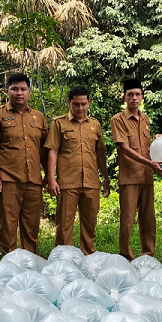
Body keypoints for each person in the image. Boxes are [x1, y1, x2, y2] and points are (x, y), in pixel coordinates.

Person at [0, 74, 48, 256]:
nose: (19, 93)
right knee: (8, 225)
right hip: (8, 179)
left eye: (23, 89)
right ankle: (9, 263)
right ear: (8, 91)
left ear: (29, 92)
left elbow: (43, 148)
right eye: (15, 89)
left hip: (34, 180)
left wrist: (48, 176)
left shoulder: (38, 117)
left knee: (31, 225)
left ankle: (29, 262)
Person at [45, 86, 111, 254]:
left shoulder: (94, 125)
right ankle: (63, 259)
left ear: (89, 103)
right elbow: (52, 150)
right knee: (64, 225)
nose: (80, 108)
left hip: (91, 182)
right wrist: (51, 178)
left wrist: (105, 178)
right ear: (69, 103)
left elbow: (100, 153)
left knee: (90, 224)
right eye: (76, 104)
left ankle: (88, 257)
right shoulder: (59, 123)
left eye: (83, 104)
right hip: (67, 182)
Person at [110, 79, 162, 260]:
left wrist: (159, 142)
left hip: (147, 177)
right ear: (124, 97)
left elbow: (148, 148)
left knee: (148, 219)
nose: (134, 98)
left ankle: (148, 255)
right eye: (130, 95)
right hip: (130, 177)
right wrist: (150, 163)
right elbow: (124, 148)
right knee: (127, 220)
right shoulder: (118, 120)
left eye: (137, 95)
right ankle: (126, 256)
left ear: (142, 97)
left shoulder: (145, 120)